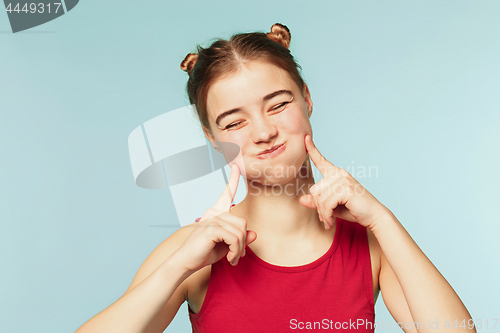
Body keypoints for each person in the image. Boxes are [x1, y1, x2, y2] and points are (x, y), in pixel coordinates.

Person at [75, 23, 475, 333]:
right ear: (212, 139)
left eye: (279, 104)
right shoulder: (192, 252)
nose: (263, 132)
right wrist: (177, 267)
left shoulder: (371, 244)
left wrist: (383, 220)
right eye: (234, 122)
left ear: (307, 98)